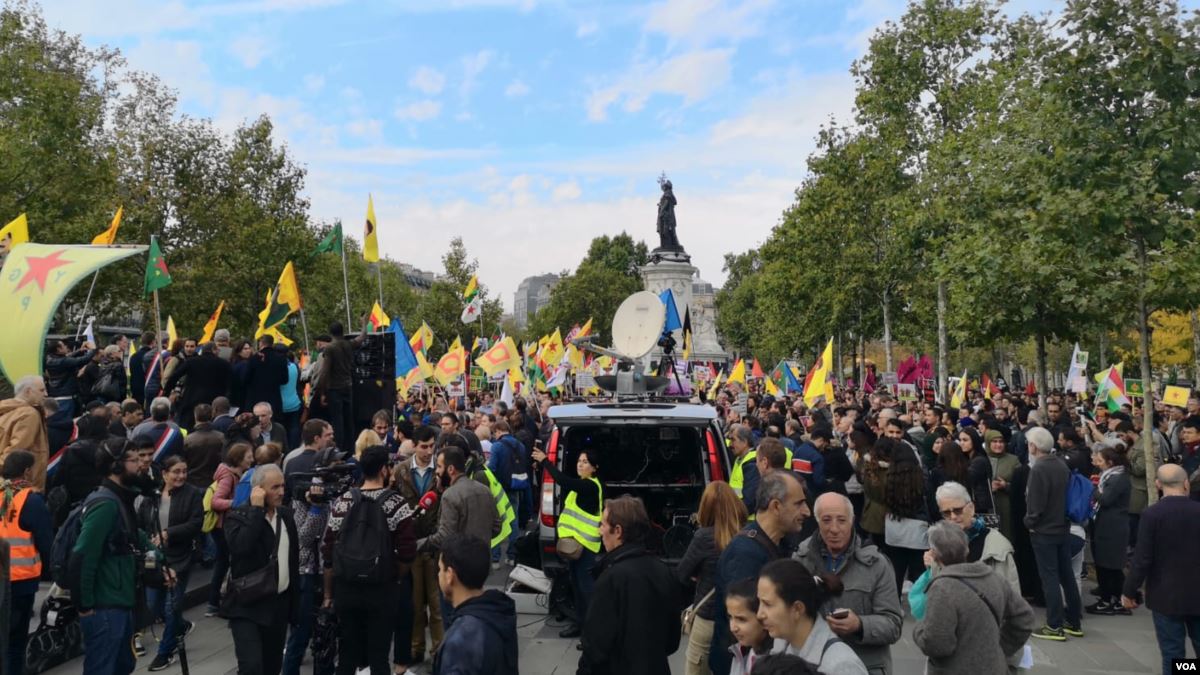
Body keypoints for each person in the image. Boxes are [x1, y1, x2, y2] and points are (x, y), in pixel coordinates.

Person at [321, 445, 416, 675]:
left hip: (347, 587)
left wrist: (328, 594)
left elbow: (329, 549)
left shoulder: (343, 502)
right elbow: (407, 551)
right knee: (379, 655)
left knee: (347, 653)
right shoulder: (396, 504)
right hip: (382, 588)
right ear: (384, 470)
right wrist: (396, 575)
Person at [75, 438, 165, 675]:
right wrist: (85, 605)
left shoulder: (120, 499)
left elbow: (134, 536)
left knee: (122, 666)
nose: (141, 465)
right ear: (115, 466)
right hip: (105, 606)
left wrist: (158, 559)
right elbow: (83, 556)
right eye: (134, 460)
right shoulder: (105, 504)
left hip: (121, 602)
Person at [709, 471, 811, 674]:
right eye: (798, 503)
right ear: (775, 506)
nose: (807, 511)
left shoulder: (775, 544)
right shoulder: (745, 554)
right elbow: (743, 621)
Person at [793, 493, 902, 675]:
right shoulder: (801, 560)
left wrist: (859, 625)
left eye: (841, 520)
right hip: (813, 665)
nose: (834, 529)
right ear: (817, 521)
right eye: (826, 520)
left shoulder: (877, 564)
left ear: (852, 521)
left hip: (864, 667)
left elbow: (893, 625)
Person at [911, 521, 1034, 675]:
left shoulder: (942, 588)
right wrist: (1000, 648)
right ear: (966, 548)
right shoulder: (993, 577)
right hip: (995, 668)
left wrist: (918, 627)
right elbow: (1025, 618)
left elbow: (938, 645)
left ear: (934, 554)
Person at [577, 495, 681, 675]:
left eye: (602, 524)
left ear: (617, 531)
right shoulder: (664, 571)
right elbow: (672, 641)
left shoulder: (610, 578)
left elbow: (595, 647)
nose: (600, 531)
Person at [1121, 464, 1200, 675]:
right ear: (1186, 484)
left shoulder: (1152, 515)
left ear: (1157, 484)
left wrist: (1129, 591)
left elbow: (1142, 559)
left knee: (1173, 654)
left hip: (1166, 596)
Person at [224, 464, 299, 675]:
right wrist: (257, 510)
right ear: (258, 490)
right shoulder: (237, 516)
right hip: (247, 605)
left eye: (283, 486)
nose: (282, 492)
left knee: (272, 667)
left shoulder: (286, 516)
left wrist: (295, 607)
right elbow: (241, 548)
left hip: (278, 605)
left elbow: (293, 561)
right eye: (275, 487)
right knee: (252, 667)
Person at [417, 445, 501, 629]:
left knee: (453, 622)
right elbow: (496, 527)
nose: (437, 472)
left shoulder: (450, 495)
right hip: (480, 565)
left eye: (439, 467)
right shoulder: (483, 490)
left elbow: (444, 536)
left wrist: (417, 544)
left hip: (456, 570)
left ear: (450, 469)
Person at [530, 443, 602, 639]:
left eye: (585, 462)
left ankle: (592, 634)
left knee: (586, 590)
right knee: (577, 587)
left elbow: (563, 480)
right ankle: (579, 625)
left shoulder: (588, 485)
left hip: (585, 546)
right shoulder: (583, 484)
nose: (580, 464)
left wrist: (545, 461)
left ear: (594, 468)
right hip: (575, 546)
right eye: (579, 461)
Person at [139, 454, 204, 671]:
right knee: (152, 606)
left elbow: (196, 523)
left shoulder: (193, 494)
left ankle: (165, 653)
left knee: (171, 607)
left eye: (184, 471)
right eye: (176, 471)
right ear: (164, 474)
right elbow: (141, 522)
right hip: (153, 559)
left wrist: (169, 533)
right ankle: (181, 625)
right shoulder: (152, 495)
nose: (181, 476)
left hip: (179, 558)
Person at [676, 481, 746, 675]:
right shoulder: (747, 534)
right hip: (740, 618)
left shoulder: (704, 537)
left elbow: (682, 573)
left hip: (708, 617)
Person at [756, 559, 868, 675]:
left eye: (768, 604)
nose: (760, 614)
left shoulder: (841, 664)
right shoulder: (779, 650)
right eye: (759, 602)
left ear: (798, 609)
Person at [1024, 426, 1084, 641]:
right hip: (1062, 527)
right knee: (1066, 575)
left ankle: (1054, 624)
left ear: (1033, 446)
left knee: (1049, 578)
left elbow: (1035, 505)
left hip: (1044, 530)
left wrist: (1029, 522)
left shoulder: (1039, 469)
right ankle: (1073, 621)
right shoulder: (1060, 464)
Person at [432, 534, 518, 675]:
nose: (438, 575)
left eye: (440, 569)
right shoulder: (498, 611)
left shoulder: (460, 640)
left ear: (449, 575)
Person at [1, 450, 53, 675]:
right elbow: (46, 542)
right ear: (27, 471)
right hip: (21, 579)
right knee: (15, 642)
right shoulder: (30, 500)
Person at [394, 425, 443, 667]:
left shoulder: (440, 471)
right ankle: (416, 648)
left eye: (432, 446)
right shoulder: (401, 470)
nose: (428, 451)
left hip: (434, 544)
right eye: (424, 447)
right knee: (414, 604)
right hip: (410, 545)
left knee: (436, 603)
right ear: (414, 446)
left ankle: (438, 651)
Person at [933, 482, 1019, 591]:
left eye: (958, 510)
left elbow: (1012, 595)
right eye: (946, 513)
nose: (953, 517)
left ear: (971, 508)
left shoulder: (997, 546)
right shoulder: (941, 546)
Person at [205, 441, 254, 617]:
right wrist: (237, 503)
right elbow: (215, 501)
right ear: (239, 459)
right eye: (249, 457)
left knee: (224, 562)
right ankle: (215, 602)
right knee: (224, 562)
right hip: (222, 527)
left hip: (224, 526)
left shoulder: (235, 474)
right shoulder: (228, 477)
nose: (252, 459)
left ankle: (215, 601)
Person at [1087, 442, 1131, 616]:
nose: (1097, 464)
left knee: (1110, 566)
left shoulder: (1118, 478)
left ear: (1110, 462)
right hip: (1105, 524)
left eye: (1100, 461)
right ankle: (1113, 598)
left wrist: (1093, 488)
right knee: (1106, 565)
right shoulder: (1108, 476)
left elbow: (1106, 499)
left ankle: (1112, 600)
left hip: (1113, 527)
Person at [880, 444, 929, 600]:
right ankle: (922, 605)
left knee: (896, 571)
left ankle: (894, 606)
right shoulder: (921, 478)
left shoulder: (889, 478)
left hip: (894, 529)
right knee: (920, 573)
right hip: (918, 531)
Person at [163, 340, 232, 431]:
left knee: (188, 428)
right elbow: (231, 383)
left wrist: (166, 393)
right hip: (214, 402)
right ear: (214, 350)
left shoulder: (191, 361)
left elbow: (174, 377)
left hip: (191, 400)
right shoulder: (224, 364)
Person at [486, 420, 527, 566]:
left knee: (495, 522)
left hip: (499, 489)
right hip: (515, 486)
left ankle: (495, 557)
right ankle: (512, 555)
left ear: (498, 430)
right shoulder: (520, 445)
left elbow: (492, 468)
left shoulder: (497, 446)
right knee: (513, 520)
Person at [0, 376, 50, 490]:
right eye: (41, 390)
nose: (46, 394)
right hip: (21, 483)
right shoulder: (29, 414)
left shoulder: (6, 409)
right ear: (28, 391)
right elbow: (16, 451)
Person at [316, 323, 355, 452]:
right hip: (348, 387)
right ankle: (350, 448)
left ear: (330, 333)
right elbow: (362, 337)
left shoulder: (330, 348)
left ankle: (339, 449)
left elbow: (325, 372)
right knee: (349, 420)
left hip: (335, 389)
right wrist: (363, 323)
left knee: (337, 422)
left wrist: (321, 392)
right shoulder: (348, 344)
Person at [725, 577, 775, 675]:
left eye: (741, 619)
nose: (733, 628)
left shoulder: (777, 666)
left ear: (763, 617)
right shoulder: (739, 652)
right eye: (730, 617)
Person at [983, 429, 1020, 542]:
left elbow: (1021, 484)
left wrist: (1006, 486)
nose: (998, 445)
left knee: (1007, 536)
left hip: (1006, 505)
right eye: (994, 442)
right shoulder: (982, 459)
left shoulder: (1013, 460)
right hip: (987, 506)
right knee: (990, 538)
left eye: (1001, 441)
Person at [244, 335, 289, 420]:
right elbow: (285, 380)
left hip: (255, 397)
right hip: (273, 397)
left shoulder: (253, 358)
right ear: (272, 344)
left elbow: (246, 378)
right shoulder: (281, 359)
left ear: (261, 343)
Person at [184, 403, 224, 490]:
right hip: (214, 483)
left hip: (193, 482)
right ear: (212, 415)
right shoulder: (221, 438)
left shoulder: (188, 440)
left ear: (195, 416)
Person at [279, 349, 303, 451]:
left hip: (281, 404)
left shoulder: (278, 368)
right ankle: (295, 449)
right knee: (294, 428)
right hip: (294, 402)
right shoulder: (294, 366)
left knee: (282, 430)